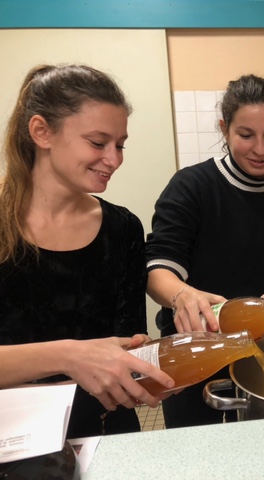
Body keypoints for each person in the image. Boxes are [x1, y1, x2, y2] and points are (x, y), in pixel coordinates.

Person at [0, 64, 174, 438]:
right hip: (13, 440)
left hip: (104, 432)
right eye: (98, 143)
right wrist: (69, 355)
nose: (114, 159)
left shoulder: (123, 228)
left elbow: (126, 349)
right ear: (41, 131)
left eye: (120, 144)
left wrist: (169, 361)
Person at [146, 74, 264, 428]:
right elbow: (157, 271)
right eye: (246, 135)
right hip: (195, 351)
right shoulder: (192, 186)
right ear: (224, 128)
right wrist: (182, 295)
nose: (260, 149)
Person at [0, 336, 174, 410]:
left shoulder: (125, 259)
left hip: (103, 412)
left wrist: (136, 345)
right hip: (18, 415)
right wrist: (67, 356)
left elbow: (125, 337)